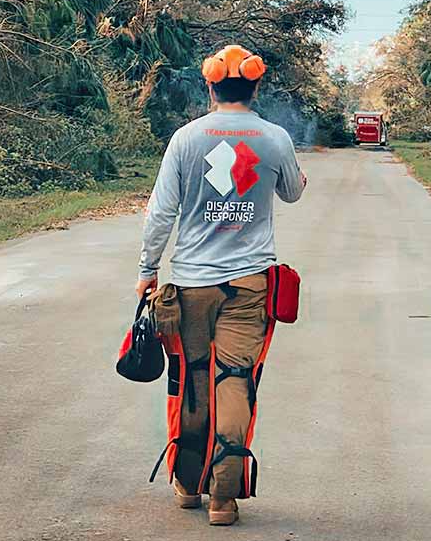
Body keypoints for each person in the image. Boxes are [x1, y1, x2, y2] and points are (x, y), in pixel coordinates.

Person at [137, 44, 306, 526]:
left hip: (192, 283)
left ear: (210, 86)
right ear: (255, 87)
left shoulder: (185, 139)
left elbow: (161, 212)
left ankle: (189, 484)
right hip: (250, 284)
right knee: (235, 380)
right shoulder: (274, 137)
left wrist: (148, 270)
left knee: (193, 381)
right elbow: (292, 192)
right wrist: (297, 177)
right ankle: (224, 497)